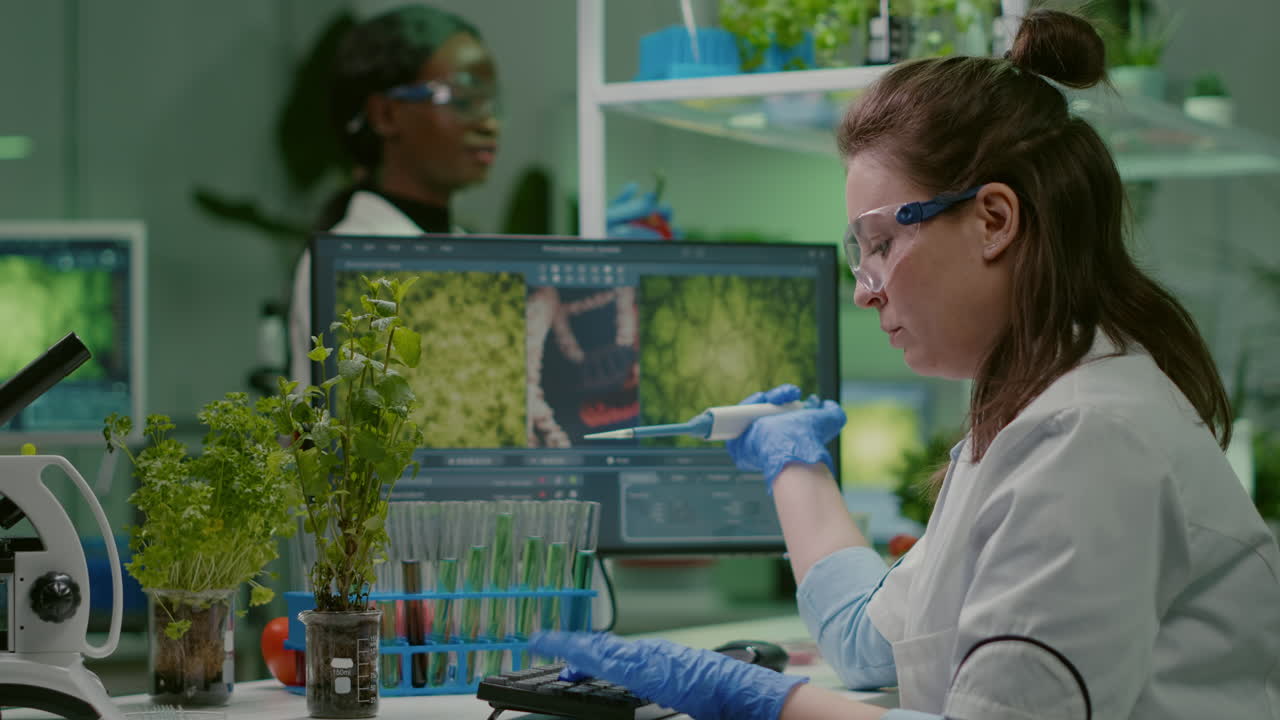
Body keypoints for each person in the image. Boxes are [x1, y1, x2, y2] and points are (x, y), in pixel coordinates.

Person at [530, 10, 1280, 720]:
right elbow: (870, 640)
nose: (864, 289)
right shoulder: (1031, 418)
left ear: (993, 220)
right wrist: (793, 464)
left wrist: (760, 701)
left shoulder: (1089, 438)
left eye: (881, 243)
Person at [288, 4, 499, 385]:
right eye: (463, 97)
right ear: (385, 114)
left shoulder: (466, 251)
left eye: (491, 99)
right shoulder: (349, 259)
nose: (488, 121)